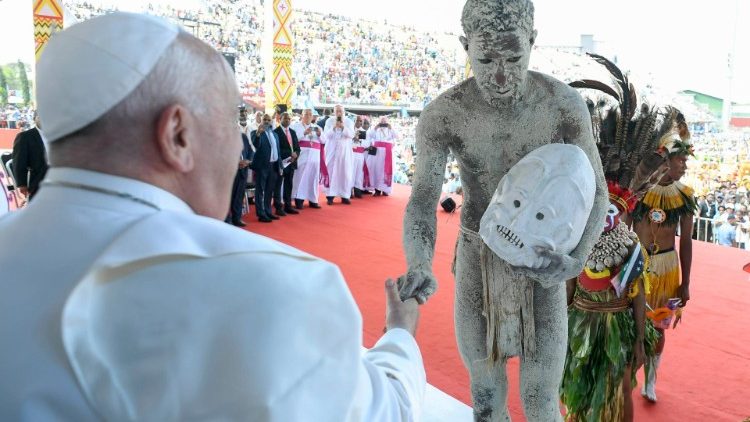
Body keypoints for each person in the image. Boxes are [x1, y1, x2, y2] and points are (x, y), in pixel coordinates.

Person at [0, 12, 425, 421]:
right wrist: (400, 335)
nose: (236, 150)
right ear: (178, 134)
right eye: (228, 121)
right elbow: (387, 412)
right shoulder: (275, 288)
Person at [399, 0, 608, 419]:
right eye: (485, 58)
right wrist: (419, 261)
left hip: (542, 261)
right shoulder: (445, 114)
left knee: (540, 398)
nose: (499, 75)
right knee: (487, 397)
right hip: (478, 255)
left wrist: (575, 259)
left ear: (533, 41)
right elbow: (423, 197)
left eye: (513, 58)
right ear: (465, 46)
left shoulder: (562, 104)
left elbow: (597, 191)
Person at [631, 123, 697, 403]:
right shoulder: (640, 190)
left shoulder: (686, 195)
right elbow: (627, 227)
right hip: (638, 264)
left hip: (668, 268)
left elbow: (686, 241)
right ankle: (627, 375)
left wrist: (686, 282)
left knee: (659, 325)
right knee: (629, 323)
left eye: (685, 160)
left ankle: (651, 380)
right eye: (681, 159)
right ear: (666, 160)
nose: (684, 165)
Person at [225, 104, 255, 227]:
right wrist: (235, 162)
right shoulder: (224, 137)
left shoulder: (242, 136)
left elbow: (250, 151)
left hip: (243, 170)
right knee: (228, 196)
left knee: (239, 196)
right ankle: (227, 219)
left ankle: (237, 218)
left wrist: (248, 161)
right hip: (230, 171)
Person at [290, 108, 324, 209]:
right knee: (299, 177)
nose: (308, 116)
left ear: (312, 116)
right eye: (306, 114)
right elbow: (293, 139)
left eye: (310, 114)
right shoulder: (295, 126)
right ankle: (298, 199)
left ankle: (313, 200)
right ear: (302, 115)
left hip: (314, 157)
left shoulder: (317, 127)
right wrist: (304, 133)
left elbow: (324, 140)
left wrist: (319, 134)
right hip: (302, 156)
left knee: (313, 178)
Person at [251, 114, 281, 223]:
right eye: (265, 119)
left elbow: (278, 151)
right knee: (260, 190)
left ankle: (268, 211)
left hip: (273, 166)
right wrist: (259, 133)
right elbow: (256, 144)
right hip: (262, 166)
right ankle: (261, 213)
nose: (267, 121)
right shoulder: (255, 132)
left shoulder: (275, 134)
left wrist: (280, 165)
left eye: (269, 120)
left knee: (269, 190)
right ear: (261, 120)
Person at [322, 104, 355, 205]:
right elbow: (325, 135)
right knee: (331, 171)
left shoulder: (349, 121)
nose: (339, 113)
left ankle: (345, 195)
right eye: (337, 111)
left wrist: (343, 127)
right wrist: (334, 127)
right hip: (331, 150)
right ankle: (330, 196)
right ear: (334, 112)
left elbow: (351, 135)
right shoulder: (329, 121)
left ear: (344, 111)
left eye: (340, 111)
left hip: (344, 151)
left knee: (344, 172)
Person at [11, 112, 49, 200]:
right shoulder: (25, 136)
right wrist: (22, 183)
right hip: (37, 180)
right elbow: (18, 161)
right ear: (35, 118)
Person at [272, 111, 300, 216]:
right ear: (280, 119)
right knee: (278, 185)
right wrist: (290, 154)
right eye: (285, 118)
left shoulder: (292, 132)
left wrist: (296, 154)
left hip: (291, 163)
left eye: (289, 118)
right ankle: (278, 207)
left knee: (289, 185)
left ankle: (288, 206)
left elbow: (297, 147)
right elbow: (277, 149)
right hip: (281, 163)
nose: (287, 120)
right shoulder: (276, 132)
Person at [367, 116, 398, 196]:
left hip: (387, 152)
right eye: (382, 121)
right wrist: (375, 127)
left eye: (385, 121)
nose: (383, 123)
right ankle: (377, 189)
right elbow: (369, 135)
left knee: (385, 170)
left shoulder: (390, 129)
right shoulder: (376, 129)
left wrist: (391, 128)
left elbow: (397, 136)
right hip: (377, 152)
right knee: (377, 169)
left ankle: (385, 189)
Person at [352, 115, 369, 198]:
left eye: (360, 121)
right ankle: (349, 191)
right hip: (351, 153)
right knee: (351, 172)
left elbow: (367, 144)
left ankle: (357, 190)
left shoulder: (364, 132)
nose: (359, 122)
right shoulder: (350, 129)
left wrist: (359, 140)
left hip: (360, 154)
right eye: (358, 121)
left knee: (359, 172)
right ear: (355, 121)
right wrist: (353, 139)